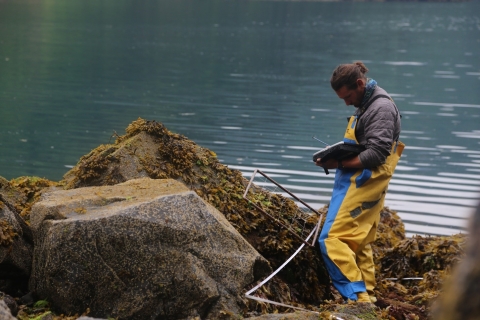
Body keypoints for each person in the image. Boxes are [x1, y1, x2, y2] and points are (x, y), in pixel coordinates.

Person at [315, 61, 404, 303]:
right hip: (359, 180)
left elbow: (377, 154)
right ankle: (369, 295)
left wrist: (338, 164)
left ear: (360, 84)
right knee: (359, 240)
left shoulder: (381, 108)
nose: (346, 102)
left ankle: (357, 298)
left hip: (365, 181)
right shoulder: (365, 103)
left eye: (348, 96)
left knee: (331, 239)